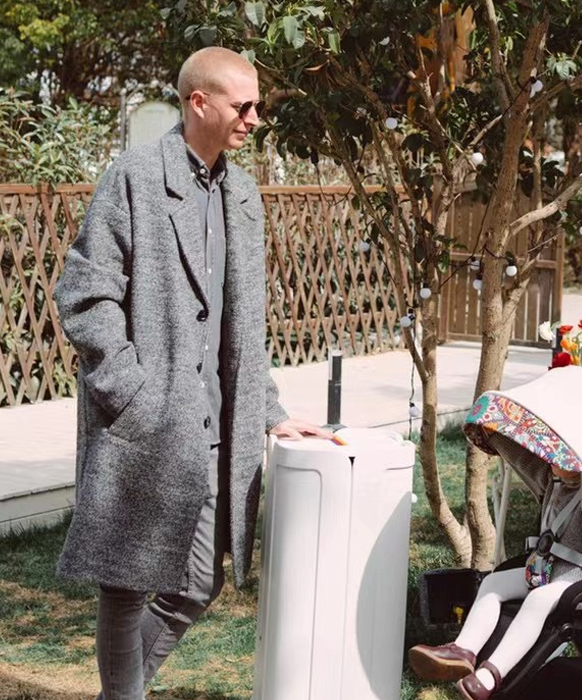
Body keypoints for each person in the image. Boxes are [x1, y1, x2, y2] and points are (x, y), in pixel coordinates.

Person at [53, 47, 332, 700]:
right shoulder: (134, 177)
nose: (255, 118)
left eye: (257, 105)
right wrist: (132, 392)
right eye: (244, 105)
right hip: (144, 422)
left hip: (215, 431)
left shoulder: (242, 193)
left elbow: (243, 322)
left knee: (200, 582)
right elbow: (85, 294)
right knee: (126, 587)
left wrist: (267, 410)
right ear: (198, 102)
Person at [408, 394, 582, 700]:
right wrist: (492, 427)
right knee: (493, 584)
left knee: (539, 600)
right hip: (550, 571)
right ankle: (462, 651)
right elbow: (522, 459)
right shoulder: (554, 481)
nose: (552, 462)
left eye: (560, 457)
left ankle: (491, 675)